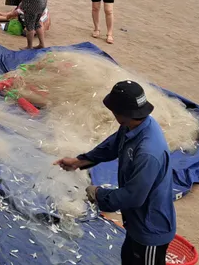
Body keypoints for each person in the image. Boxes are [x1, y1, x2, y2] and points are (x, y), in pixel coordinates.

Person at [54, 81, 176, 265]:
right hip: (135, 222)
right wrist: (80, 161)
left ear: (122, 114)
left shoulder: (148, 153)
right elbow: (113, 145)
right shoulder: (134, 125)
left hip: (150, 228)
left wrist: (99, 194)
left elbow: (133, 197)